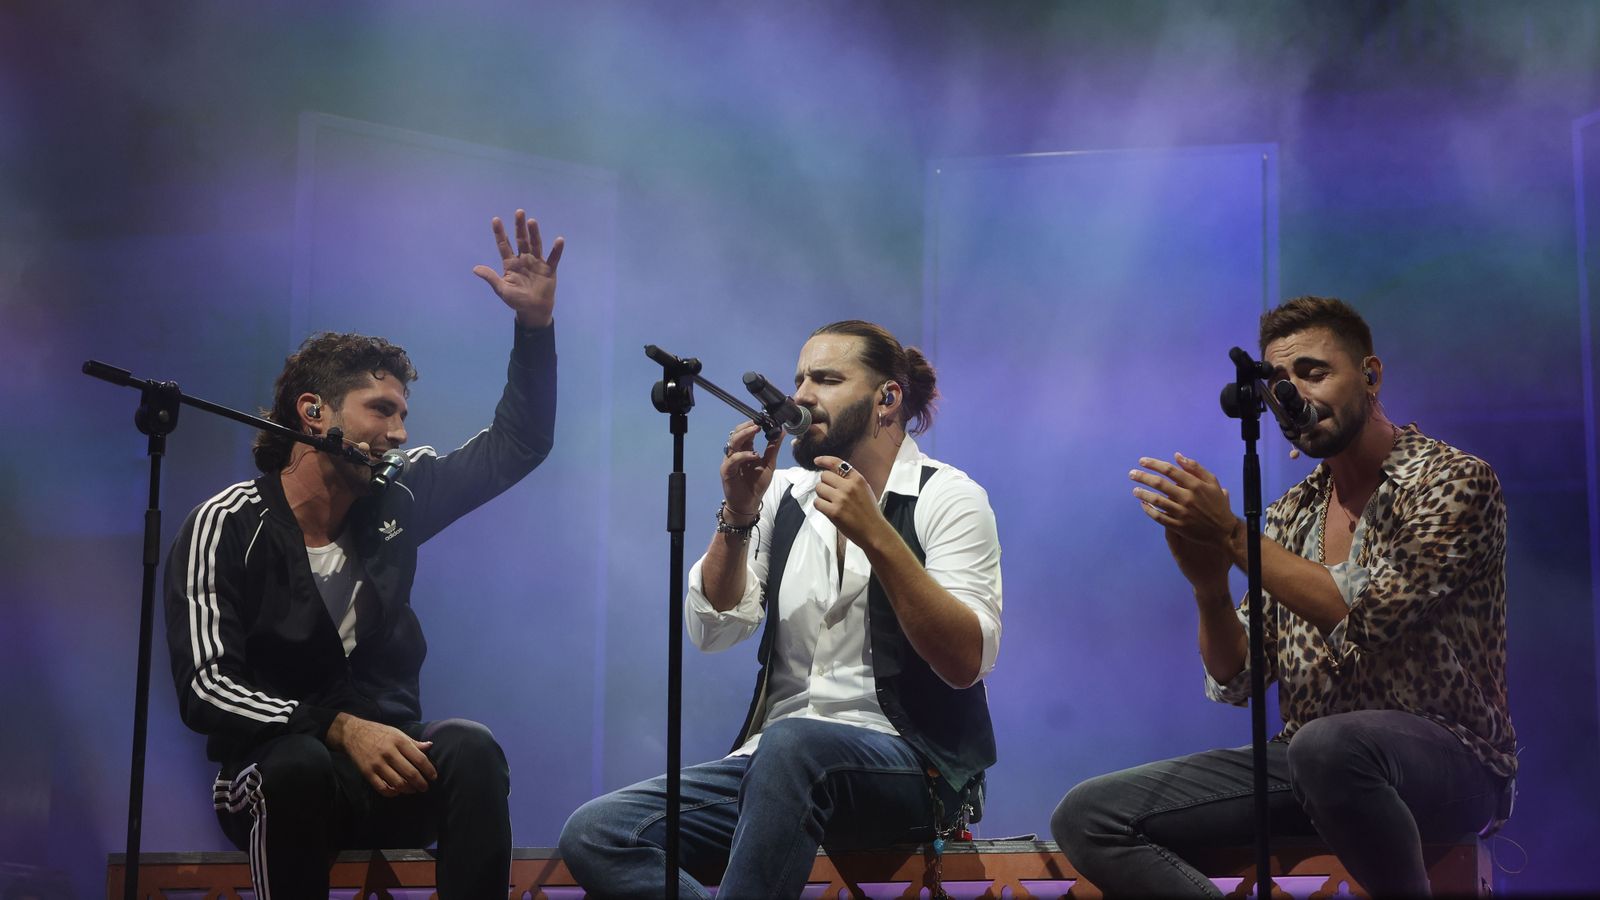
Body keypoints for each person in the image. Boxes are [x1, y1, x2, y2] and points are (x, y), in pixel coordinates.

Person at [1050, 296, 1515, 897]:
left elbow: (1369, 619)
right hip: (1312, 765)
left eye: (1314, 373)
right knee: (1089, 816)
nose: (1293, 394)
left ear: (1370, 376)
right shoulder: (1289, 516)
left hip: (1452, 763)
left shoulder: (1453, 481)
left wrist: (1231, 535)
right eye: (1280, 384)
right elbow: (1238, 678)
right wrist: (1210, 587)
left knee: (1328, 747)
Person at [163, 209, 564, 897]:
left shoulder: (399, 495)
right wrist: (339, 729)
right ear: (313, 412)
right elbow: (207, 687)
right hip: (270, 776)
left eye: (403, 415)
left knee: (469, 748)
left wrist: (534, 328)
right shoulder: (225, 524)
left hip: (384, 769)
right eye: (381, 410)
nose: (400, 432)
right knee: (296, 766)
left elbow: (517, 445)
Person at [559, 320, 1003, 898]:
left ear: (887, 398)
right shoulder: (784, 495)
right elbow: (714, 630)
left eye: (826, 380)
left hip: (908, 766)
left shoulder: (948, 498)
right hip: (774, 768)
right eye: (799, 380)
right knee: (599, 832)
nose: (801, 397)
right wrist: (739, 515)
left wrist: (878, 536)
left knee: (793, 746)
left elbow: (964, 661)